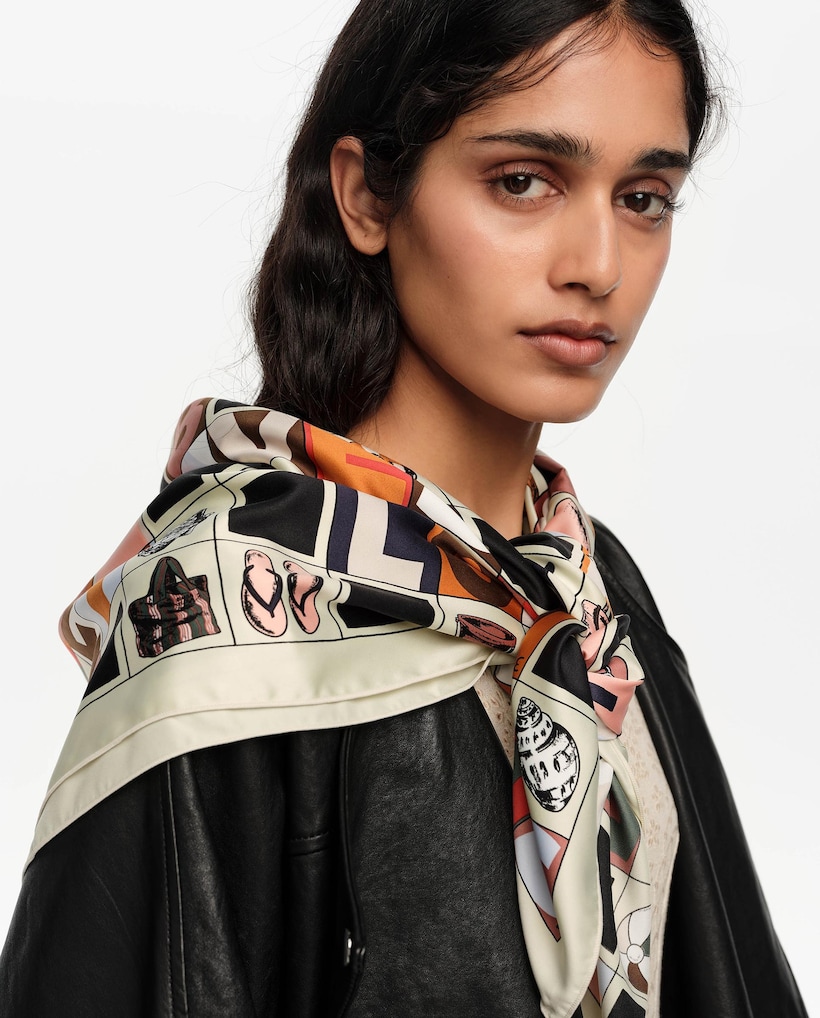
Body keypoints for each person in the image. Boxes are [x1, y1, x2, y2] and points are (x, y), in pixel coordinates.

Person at [0, 0, 809, 1015]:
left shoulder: (592, 593)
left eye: (644, 197)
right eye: (522, 181)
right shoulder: (223, 625)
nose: (598, 265)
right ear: (365, 197)